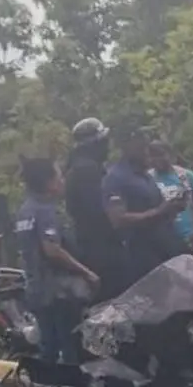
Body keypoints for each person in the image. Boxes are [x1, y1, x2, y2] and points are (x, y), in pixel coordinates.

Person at [14, 157, 99, 364]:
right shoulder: (45, 210)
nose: (63, 181)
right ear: (48, 182)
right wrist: (87, 273)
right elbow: (52, 250)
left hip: (36, 289)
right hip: (57, 293)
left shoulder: (25, 211)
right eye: (59, 176)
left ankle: (47, 380)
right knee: (68, 347)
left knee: (49, 347)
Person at [101, 128, 189, 286]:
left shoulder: (146, 175)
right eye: (141, 147)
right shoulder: (115, 177)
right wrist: (158, 212)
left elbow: (159, 206)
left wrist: (173, 207)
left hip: (165, 247)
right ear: (127, 147)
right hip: (141, 255)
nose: (146, 152)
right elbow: (118, 219)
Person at [65, 116, 128, 301]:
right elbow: (100, 211)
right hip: (102, 249)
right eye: (104, 142)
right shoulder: (87, 171)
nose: (107, 147)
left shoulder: (79, 168)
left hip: (93, 245)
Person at [149, 140, 193, 259]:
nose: (157, 159)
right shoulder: (148, 179)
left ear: (170, 154)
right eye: (153, 155)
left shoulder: (185, 176)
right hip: (161, 243)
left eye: (161, 154)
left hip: (189, 239)